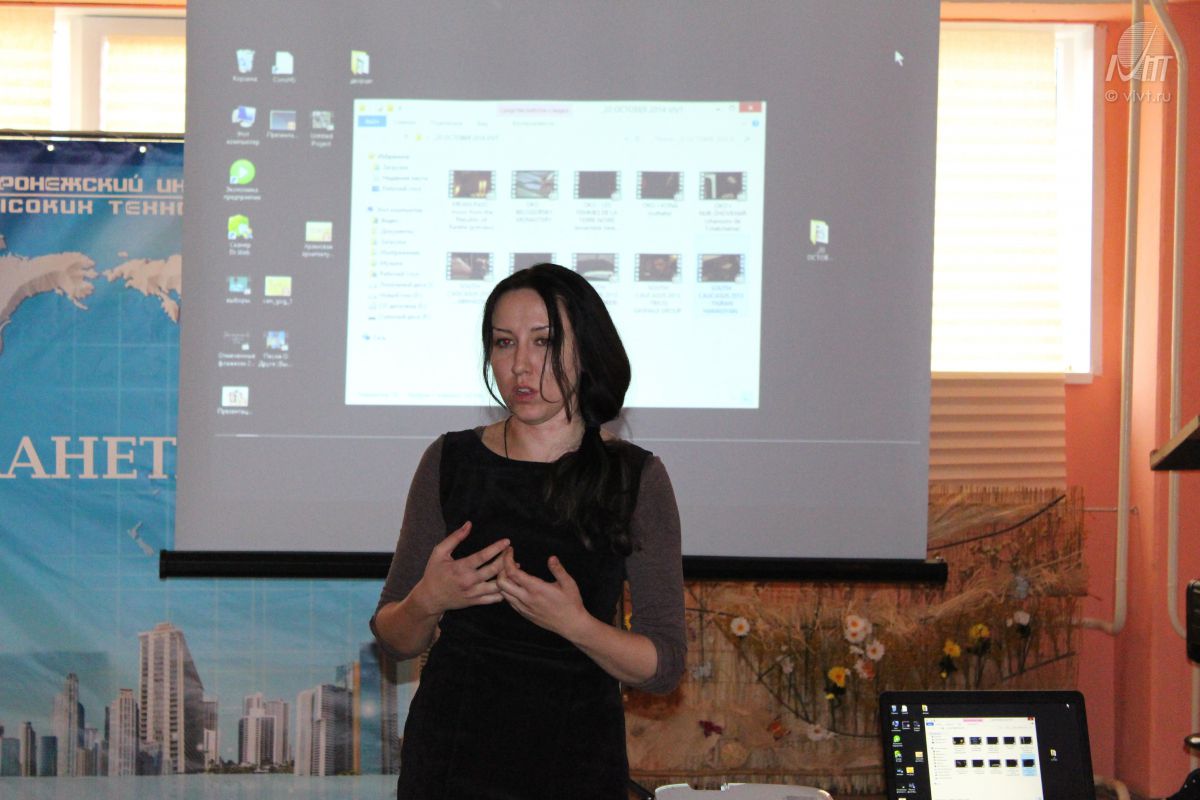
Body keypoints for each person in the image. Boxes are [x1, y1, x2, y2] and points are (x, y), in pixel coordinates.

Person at [371, 263, 686, 799]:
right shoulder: (450, 460)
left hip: (575, 762)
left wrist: (575, 625)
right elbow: (393, 637)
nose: (521, 364)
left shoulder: (635, 477)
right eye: (503, 342)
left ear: (585, 350)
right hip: (449, 761)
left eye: (544, 341)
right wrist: (428, 599)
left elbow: (664, 666)